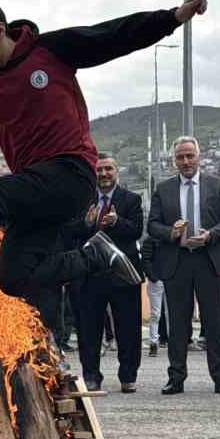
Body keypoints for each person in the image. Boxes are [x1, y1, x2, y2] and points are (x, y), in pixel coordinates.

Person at [0, 0, 208, 329]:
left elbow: (112, 36)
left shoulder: (49, 50)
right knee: (14, 277)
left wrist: (171, 18)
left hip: (71, 173)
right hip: (35, 192)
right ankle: (96, 255)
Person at [148, 136, 220, 395]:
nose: (185, 161)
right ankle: (176, 378)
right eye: (180, 157)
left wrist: (210, 235)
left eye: (190, 156)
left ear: (199, 156)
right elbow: (152, 225)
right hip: (177, 261)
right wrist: (170, 233)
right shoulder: (163, 189)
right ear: (174, 160)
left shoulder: (217, 185)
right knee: (177, 324)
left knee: (215, 323)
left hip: (209, 260)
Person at [68, 154, 144, 393]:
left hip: (122, 273)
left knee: (128, 328)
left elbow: (137, 230)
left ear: (116, 171)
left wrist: (117, 222)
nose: (104, 174)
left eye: (108, 169)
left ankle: (128, 376)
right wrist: (87, 223)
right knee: (88, 329)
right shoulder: (82, 200)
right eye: (99, 170)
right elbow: (69, 231)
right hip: (90, 274)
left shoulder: (131, 199)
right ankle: (91, 376)